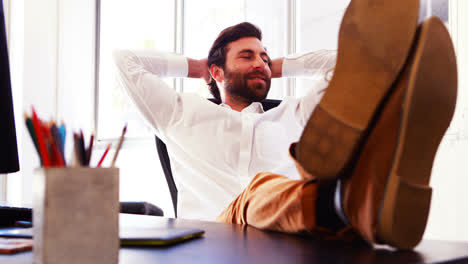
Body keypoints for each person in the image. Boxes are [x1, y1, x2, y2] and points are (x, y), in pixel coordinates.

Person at [115, 0, 457, 249]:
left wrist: (276, 65)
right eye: (247, 56)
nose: (261, 64)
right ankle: (357, 202)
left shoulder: (292, 113)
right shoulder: (178, 112)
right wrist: (197, 66)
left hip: (292, 236)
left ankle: (360, 189)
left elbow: (346, 67)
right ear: (217, 72)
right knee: (257, 191)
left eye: (265, 57)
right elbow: (125, 60)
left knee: (313, 168)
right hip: (213, 237)